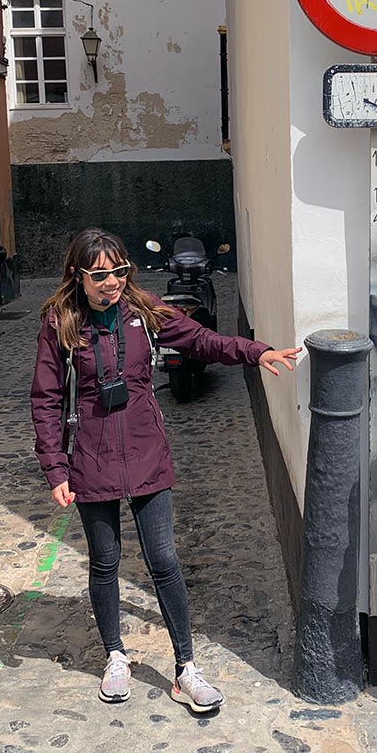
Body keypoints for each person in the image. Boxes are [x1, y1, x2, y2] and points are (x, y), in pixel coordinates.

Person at [30, 228, 300, 713]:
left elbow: (199, 340)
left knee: (164, 561)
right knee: (105, 562)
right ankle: (115, 655)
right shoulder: (60, 324)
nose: (111, 282)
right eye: (100, 274)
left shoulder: (143, 312)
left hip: (146, 451)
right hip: (90, 459)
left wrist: (255, 351)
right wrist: (56, 468)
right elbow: (46, 399)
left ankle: (185, 668)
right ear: (78, 275)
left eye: (118, 271)